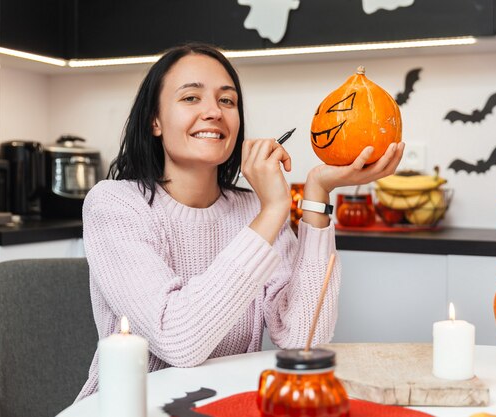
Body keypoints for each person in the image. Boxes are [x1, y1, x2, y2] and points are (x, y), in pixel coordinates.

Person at [76, 43, 404, 400]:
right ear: (154, 120)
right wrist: (271, 211)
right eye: (190, 98)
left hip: (228, 406)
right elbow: (178, 340)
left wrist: (317, 193)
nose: (213, 112)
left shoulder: (254, 209)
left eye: (227, 101)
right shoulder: (114, 205)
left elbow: (304, 339)